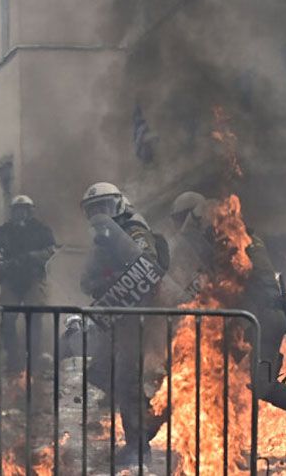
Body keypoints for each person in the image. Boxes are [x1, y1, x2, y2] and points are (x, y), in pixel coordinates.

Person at [175, 191, 286, 445]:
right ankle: (220, 437)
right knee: (212, 371)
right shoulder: (238, 235)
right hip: (249, 320)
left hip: (261, 320)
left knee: (261, 384)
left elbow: (228, 284)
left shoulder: (231, 239)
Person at [79, 182, 170, 467]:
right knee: (99, 372)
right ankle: (146, 422)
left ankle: (138, 445)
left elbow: (148, 265)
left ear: (118, 204)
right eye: (93, 210)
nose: (99, 214)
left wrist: (115, 277)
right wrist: (106, 281)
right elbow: (86, 282)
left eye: (103, 207)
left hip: (141, 316)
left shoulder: (134, 231)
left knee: (127, 379)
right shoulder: (102, 242)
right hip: (118, 318)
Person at [0, 195, 56, 373]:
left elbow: (51, 251)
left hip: (33, 278)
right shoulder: (3, 232)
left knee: (35, 318)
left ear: (30, 211)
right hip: (10, 279)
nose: (21, 214)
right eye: (17, 210)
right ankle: (12, 362)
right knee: (7, 319)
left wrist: (31, 257)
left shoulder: (41, 230)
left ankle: (34, 360)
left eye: (24, 210)